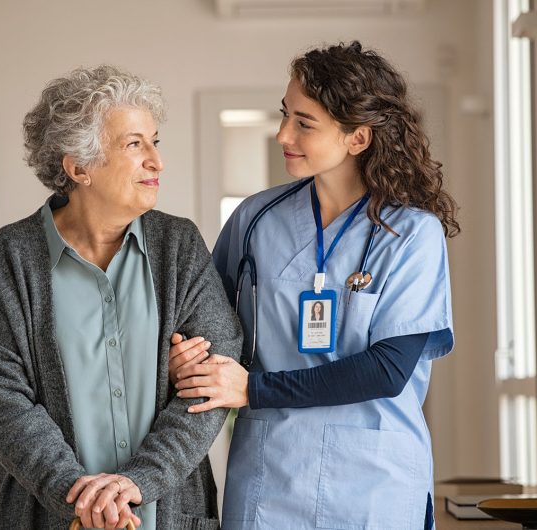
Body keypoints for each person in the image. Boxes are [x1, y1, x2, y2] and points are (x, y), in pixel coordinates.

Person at [169, 41, 459, 530]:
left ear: (358, 138)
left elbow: (387, 370)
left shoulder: (411, 234)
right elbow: (207, 324)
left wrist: (253, 390)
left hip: (374, 481)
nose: (283, 133)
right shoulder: (254, 219)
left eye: (305, 123)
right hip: (270, 476)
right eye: (285, 115)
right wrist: (189, 355)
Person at [0, 65, 241, 530]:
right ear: (78, 167)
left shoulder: (179, 245)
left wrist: (138, 482)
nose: (157, 161)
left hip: (167, 515)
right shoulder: (12, 257)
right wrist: (80, 498)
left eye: (155, 141)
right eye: (135, 144)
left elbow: (213, 380)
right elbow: (1, 400)